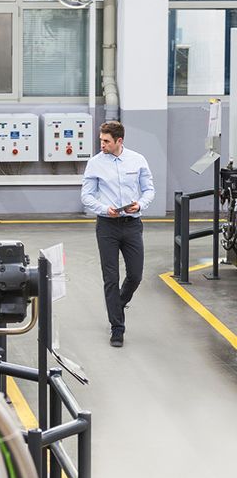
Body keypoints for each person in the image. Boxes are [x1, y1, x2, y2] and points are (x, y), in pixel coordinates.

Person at [81, 121, 155, 347]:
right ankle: (117, 328)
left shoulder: (137, 160)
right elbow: (86, 196)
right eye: (101, 140)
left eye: (106, 141)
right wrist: (105, 209)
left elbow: (149, 190)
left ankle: (118, 304)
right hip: (107, 227)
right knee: (110, 278)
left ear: (119, 141)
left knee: (135, 275)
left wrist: (140, 205)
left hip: (132, 225)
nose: (102, 144)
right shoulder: (95, 163)